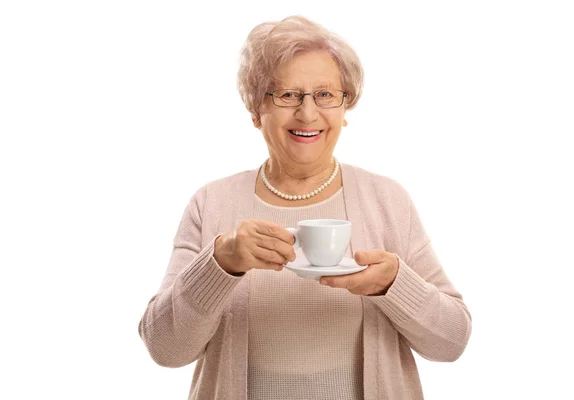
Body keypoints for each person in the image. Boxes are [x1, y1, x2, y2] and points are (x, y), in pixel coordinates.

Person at [138, 15, 472, 400]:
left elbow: (452, 342)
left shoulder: (387, 200)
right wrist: (219, 263)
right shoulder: (211, 203)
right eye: (287, 95)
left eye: (326, 95)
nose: (308, 113)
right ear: (254, 110)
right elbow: (165, 349)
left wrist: (394, 284)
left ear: (345, 109)